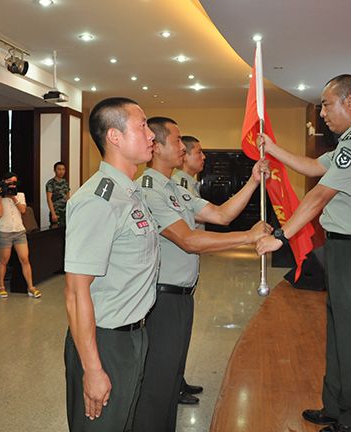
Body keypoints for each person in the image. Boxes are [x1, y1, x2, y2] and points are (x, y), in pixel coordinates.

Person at [256, 75, 351, 432]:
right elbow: (314, 167)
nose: (322, 113)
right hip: (345, 250)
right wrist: (272, 148)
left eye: (327, 105)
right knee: (340, 335)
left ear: (349, 102)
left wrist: (282, 237)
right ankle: (335, 408)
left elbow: (318, 195)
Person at [132, 116, 270, 432]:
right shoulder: (149, 190)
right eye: (177, 141)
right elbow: (189, 240)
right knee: (157, 382)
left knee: (170, 380)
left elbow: (221, 215)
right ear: (157, 146)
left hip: (182, 295)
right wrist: (248, 237)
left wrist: (252, 182)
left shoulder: (174, 188)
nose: (183, 147)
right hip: (161, 298)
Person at [63, 97, 160, 432]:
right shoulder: (98, 200)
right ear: (114, 137)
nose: (151, 135)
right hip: (104, 342)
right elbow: (75, 292)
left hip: (133, 334)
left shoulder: (130, 194)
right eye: (142, 126)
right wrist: (92, 369)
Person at [171, 134, 206, 404]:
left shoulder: (190, 183)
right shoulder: (179, 184)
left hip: (186, 269)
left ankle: (178, 381)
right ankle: (174, 386)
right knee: (173, 339)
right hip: (175, 271)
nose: (203, 157)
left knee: (181, 337)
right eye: (198, 153)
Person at [0, 172, 40, 299]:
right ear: (4, 182)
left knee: (25, 259)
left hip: (19, 231)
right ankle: (1, 286)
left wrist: (13, 197)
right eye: (9, 182)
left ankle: (31, 287)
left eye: (14, 182)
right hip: (4, 231)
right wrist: (0, 196)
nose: (12, 185)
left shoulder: (20, 195)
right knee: (4, 260)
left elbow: (23, 210)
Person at [46, 161, 70, 227]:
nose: (61, 171)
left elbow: (67, 197)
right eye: (59, 169)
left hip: (65, 212)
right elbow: (49, 199)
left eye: (63, 169)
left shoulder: (65, 182)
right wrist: (53, 213)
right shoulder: (50, 183)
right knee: (56, 231)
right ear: (54, 170)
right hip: (56, 212)